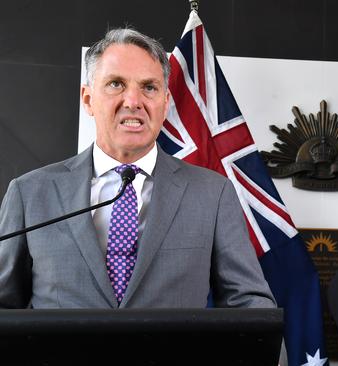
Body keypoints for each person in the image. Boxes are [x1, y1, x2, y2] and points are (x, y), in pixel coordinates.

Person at [0, 28, 276, 309]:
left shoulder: (212, 194)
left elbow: (249, 303)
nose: (133, 102)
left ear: (165, 102)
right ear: (87, 99)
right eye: (116, 84)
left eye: (149, 87)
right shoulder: (30, 194)